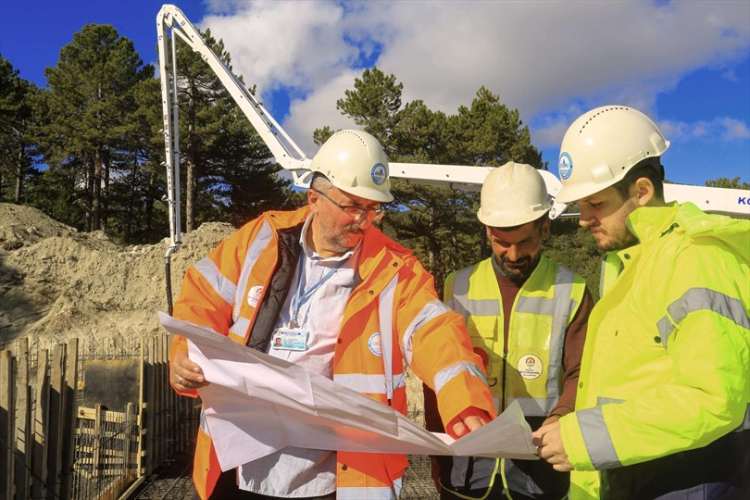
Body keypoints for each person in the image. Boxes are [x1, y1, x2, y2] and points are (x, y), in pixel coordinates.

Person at [169, 129, 497, 500]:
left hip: (338, 480)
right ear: (314, 198)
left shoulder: (394, 269)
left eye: (373, 209)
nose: (364, 220)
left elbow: (435, 331)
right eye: (352, 206)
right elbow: (202, 297)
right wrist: (184, 352)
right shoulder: (261, 238)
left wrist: (465, 399)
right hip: (238, 467)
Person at [533, 105, 750, 499]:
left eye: (595, 204)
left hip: (689, 483)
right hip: (638, 480)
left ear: (642, 192)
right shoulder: (632, 264)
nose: (582, 218)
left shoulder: (696, 259)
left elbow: (715, 398)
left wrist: (583, 439)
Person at [424, 162, 594, 500]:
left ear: (545, 228)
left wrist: (560, 418)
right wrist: (436, 451)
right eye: (502, 242)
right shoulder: (457, 287)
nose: (513, 255)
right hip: (467, 465)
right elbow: (436, 373)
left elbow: (583, 373)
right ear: (487, 230)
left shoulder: (572, 290)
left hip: (540, 467)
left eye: (525, 242)